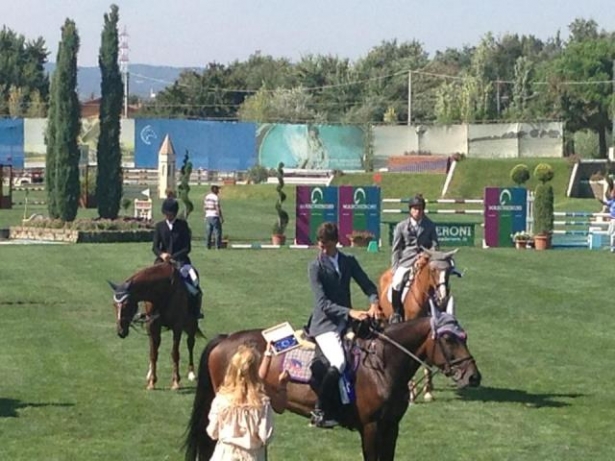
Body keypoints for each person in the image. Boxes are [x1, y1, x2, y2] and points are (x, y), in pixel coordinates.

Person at [306, 222, 381, 428]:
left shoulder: (348, 262)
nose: (322, 250)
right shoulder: (315, 267)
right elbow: (323, 303)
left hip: (347, 322)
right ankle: (321, 410)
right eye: (320, 246)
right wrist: (350, 311)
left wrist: (374, 302)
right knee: (338, 362)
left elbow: (367, 285)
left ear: (336, 243)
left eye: (326, 246)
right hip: (325, 324)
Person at [206, 344, 289, 461]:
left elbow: (212, 432)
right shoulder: (262, 403)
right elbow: (266, 436)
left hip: (225, 455)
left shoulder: (221, 400)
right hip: (253, 456)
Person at [152, 193, 203, 319]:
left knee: (194, 286)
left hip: (181, 261)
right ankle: (149, 311)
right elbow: (155, 247)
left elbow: (187, 248)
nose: (168, 216)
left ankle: (195, 312)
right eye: (166, 214)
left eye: (170, 214)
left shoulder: (182, 226)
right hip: (162, 261)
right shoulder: (159, 226)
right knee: (149, 284)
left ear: (174, 213)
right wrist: (162, 255)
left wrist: (173, 257)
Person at [390, 194, 439, 324]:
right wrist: (395, 268)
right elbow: (396, 249)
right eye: (415, 208)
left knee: (437, 282)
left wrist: (425, 256)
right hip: (406, 261)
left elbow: (435, 245)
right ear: (410, 210)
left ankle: (437, 310)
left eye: (420, 208)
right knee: (397, 282)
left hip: (425, 261)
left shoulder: (430, 225)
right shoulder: (401, 226)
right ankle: (396, 312)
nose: (417, 211)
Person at [204, 185, 224, 249]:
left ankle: (208, 246)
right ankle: (217, 246)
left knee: (208, 232)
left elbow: (204, 206)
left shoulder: (207, 197)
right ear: (215, 190)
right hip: (214, 216)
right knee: (217, 231)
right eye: (218, 189)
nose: (218, 191)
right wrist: (221, 217)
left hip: (208, 215)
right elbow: (217, 207)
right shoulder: (216, 197)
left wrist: (205, 214)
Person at [598, 187, 615, 252]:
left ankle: (612, 248)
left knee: (612, 234)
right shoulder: (612, 201)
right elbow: (606, 203)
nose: (611, 195)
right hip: (613, 220)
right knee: (610, 233)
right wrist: (600, 200)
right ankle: (612, 247)